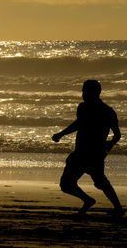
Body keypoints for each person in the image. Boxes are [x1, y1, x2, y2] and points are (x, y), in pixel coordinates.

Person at [52, 80, 124, 217]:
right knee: (67, 184)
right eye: (83, 91)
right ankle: (89, 200)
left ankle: (117, 208)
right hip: (81, 152)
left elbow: (117, 135)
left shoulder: (107, 112)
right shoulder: (83, 108)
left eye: (85, 91)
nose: (83, 94)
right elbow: (78, 124)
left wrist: (109, 145)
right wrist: (61, 134)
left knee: (99, 183)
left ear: (94, 93)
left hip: (93, 154)